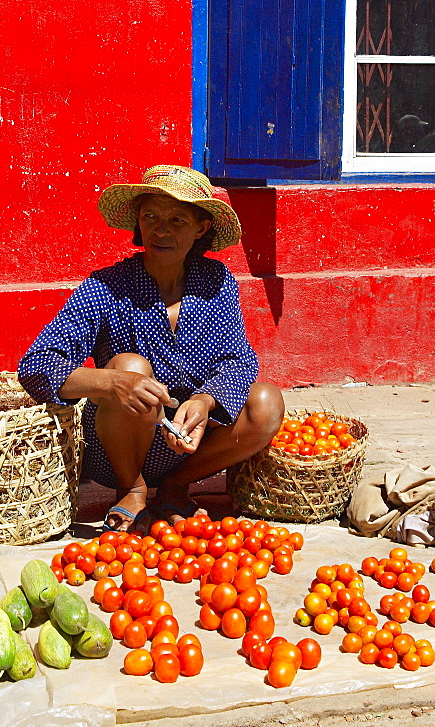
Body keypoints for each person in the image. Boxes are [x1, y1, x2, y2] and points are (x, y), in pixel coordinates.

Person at [18, 164, 284, 532]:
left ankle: (175, 486)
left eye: (177, 220)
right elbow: (37, 365)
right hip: (117, 446)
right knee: (130, 366)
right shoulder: (107, 286)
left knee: (266, 402)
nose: (161, 230)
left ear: (201, 229)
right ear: (138, 224)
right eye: (151, 217)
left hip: (189, 442)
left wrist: (205, 402)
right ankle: (133, 489)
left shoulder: (216, 282)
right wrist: (111, 384)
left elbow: (239, 361)